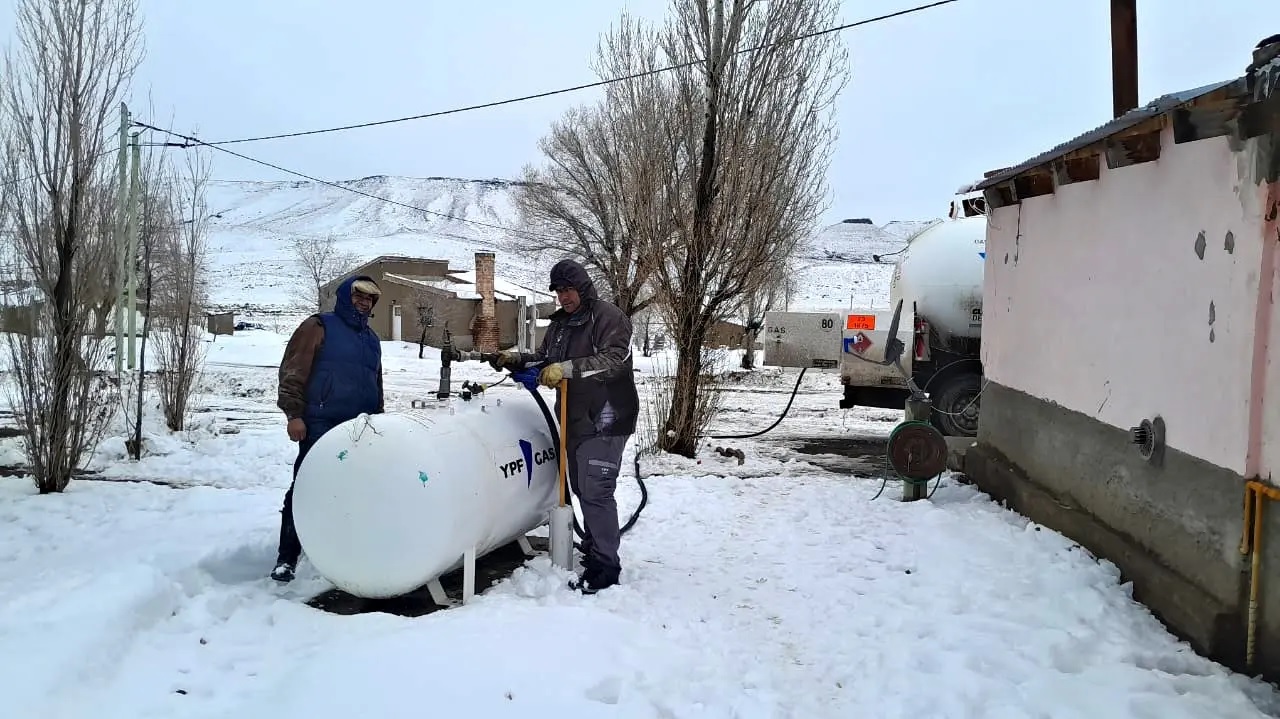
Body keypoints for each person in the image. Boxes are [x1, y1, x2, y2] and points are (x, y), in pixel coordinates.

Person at [493, 259, 639, 594]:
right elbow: (547, 358)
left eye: (568, 289)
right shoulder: (560, 325)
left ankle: (606, 566)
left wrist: (566, 369)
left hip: (607, 416)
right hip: (574, 417)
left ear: (583, 287)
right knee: (581, 485)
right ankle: (595, 547)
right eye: (558, 291)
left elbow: (612, 359)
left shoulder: (608, 317)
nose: (563, 297)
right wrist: (517, 359)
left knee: (596, 489)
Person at [271, 275, 385, 582]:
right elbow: (293, 371)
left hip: (358, 427)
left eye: (369, 299)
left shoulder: (371, 340)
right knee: (307, 487)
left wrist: (380, 420)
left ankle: (340, 548)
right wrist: (294, 414)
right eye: (358, 296)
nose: (363, 302)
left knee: (352, 489)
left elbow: (376, 382)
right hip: (320, 423)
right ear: (346, 297)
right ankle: (287, 556)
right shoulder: (319, 326)